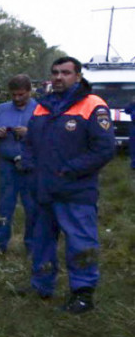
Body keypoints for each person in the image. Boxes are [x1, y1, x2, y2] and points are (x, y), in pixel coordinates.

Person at [19, 57, 114, 313]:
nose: (59, 77)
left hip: (75, 190)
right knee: (41, 242)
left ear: (78, 76)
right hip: (43, 189)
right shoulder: (43, 106)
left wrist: (71, 169)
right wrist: (27, 165)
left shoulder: (93, 105)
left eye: (65, 73)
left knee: (81, 243)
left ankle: (83, 293)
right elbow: (30, 142)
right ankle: (41, 285)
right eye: (55, 73)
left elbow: (104, 149)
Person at [0, 74, 38, 253]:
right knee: (4, 206)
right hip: (7, 166)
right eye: (14, 95)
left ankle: (33, 246)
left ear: (30, 91)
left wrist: (30, 134)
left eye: (21, 95)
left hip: (32, 166)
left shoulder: (40, 110)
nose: (17, 98)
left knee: (33, 208)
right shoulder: (1, 109)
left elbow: (53, 138)